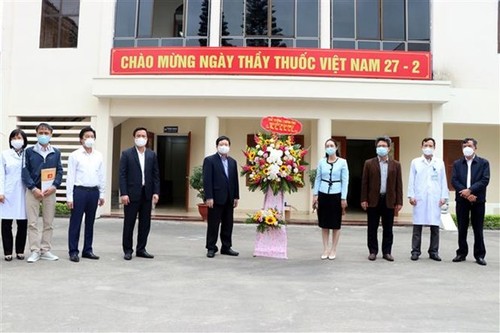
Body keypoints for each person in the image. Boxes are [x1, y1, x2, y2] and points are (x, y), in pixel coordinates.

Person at [22, 122, 63, 263]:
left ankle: (45, 250)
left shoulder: (56, 152)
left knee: (48, 222)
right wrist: (33, 188)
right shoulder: (29, 151)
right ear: (36, 134)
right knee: (32, 223)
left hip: (49, 191)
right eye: (41, 132)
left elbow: (60, 171)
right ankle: (34, 250)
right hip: (33, 191)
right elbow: (24, 171)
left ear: (51, 135)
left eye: (46, 133)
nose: (43, 135)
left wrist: (54, 186)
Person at [66, 127, 106, 262]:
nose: (89, 139)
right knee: (75, 223)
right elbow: (70, 177)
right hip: (79, 191)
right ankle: (73, 251)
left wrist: (102, 193)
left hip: (93, 191)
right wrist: (69, 197)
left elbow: (101, 175)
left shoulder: (98, 155)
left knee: (90, 222)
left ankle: (88, 250)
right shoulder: (75, 155)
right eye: (86, 136)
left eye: (92, 136)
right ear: (81, 140)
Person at [119, 127, 160, 260]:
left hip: (146, 194)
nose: (141, 138)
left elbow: (155, 175)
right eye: (138, 135)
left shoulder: (151, 154)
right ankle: (128, 250)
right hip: (131, 194)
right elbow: (122, 175)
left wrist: (156, 192)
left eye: (143, 136)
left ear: (147, 139)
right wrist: (124, 193)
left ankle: (141, 249)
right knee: (129, 223)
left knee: (145, 223)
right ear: (134, 137)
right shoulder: (127, 154)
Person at [361, 136, 403, 261]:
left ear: (389, 148)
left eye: (384, 146)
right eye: (379, 146)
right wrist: (364, 199)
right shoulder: (369, 163)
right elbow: (365, 183)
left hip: (389, 200)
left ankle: (387, 252)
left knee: (388, 228)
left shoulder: (396, 165)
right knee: (372, 227)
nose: (381, 148)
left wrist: (399, 201)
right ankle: (373, 251)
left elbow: (398, 184)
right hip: (373, 199)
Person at [407, 137, 449, 261]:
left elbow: (443, 180)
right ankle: (415, 251)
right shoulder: (415, 162)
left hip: (435, 198)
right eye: (426, 145)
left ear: (434, 148)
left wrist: (444, 197)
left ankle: (434, 251)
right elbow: (411, 180)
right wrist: (411, 195)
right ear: (422, 146)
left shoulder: (439, 162)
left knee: (435, 226)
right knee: (417, 226)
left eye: (430, 146)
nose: (428, 148)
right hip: (420, 198)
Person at [451, 138, 490, 266]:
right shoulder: (457, 163)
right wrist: (466, 193)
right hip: (462, 200)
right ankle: (461, 253)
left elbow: (485, 180)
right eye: (464, 146)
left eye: (469, 145)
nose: (466, 148)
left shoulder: (483, 163)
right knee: (462, 228)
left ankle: (479, 255)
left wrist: (471, 191)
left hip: (478, 200)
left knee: (478, 229)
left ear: (475, 148)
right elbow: (454, 181)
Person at [203, 135, 240, 258]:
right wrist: (209, 197)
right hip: (215, 198)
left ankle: (226, 247)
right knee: (213, 224)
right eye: (221, 144)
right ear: (217, 146)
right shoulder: (210, 160)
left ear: (229, 146)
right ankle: (211, 247)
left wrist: (236, 196)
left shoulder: (232, 162)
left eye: (226, 145)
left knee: (228, 224)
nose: (224, 147)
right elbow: (207, 180)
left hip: (229, 198)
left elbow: (235, 180)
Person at [312, 138, 349, 260]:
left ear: (336, 148)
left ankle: (333, 249)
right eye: (327, 146)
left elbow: (345, 181)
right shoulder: (322, 162)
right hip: (323, 193)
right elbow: (317, 178)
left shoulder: (342, 162)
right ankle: (325, 248)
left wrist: (343, 197)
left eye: (332, 145)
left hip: (336, 194)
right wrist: (315, 195)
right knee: (324, 223)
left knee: (335, 224)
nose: (329, 147)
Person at [0, 129, 28, 261]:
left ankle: (20, 251)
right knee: (6, 223)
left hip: (23, 192)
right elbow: (1, 174)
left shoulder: (27, 154)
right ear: (10, 140)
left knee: (22, 223)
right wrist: (1, 192)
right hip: (8, 192)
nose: (17, 140)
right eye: (15, 138)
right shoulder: (4, 154)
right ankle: (7, 251)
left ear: (24, 140)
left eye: (20, 138)